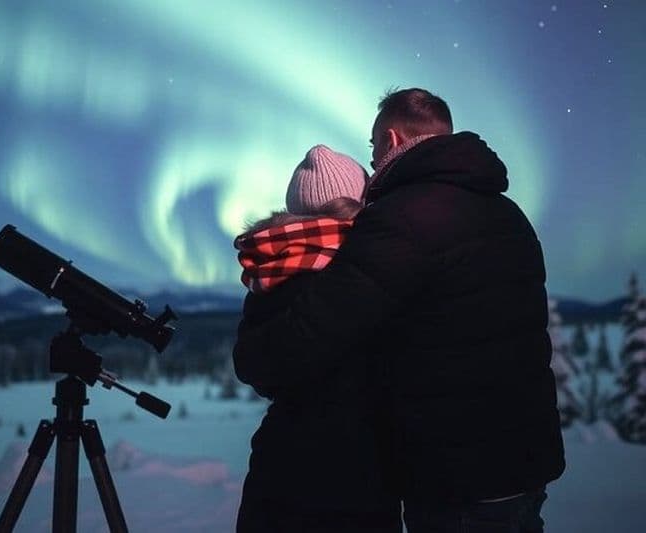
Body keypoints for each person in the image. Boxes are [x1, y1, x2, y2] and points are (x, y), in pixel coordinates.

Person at [233, 88, 566, 532]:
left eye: (372, 146)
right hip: (525, 462)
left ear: (391, 140)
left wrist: (257, 352)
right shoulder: (509, 215)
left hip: (457, 476)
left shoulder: (403, 218)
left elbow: (309, 334)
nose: (372, 163)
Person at [234, 144, 402, 532]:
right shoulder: (372, 268)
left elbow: (256, 369)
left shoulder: (272, 265)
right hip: (361, 474)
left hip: (279, 468)